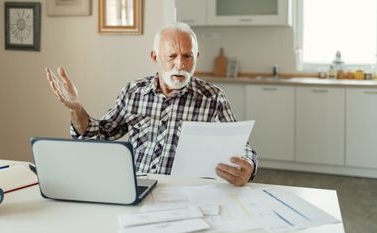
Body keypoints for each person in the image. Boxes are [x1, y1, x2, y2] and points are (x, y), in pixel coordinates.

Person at [45, 23, 258, 186]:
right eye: (172, 56)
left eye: (187, 56)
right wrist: (76, 109)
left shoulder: (213, 97)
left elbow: (241, 148)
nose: (180, 64)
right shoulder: (133, 92)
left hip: (190, 191)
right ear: (154, 56)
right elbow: (99, 133)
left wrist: (248, 167)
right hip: (139, 186)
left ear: (197, 57)